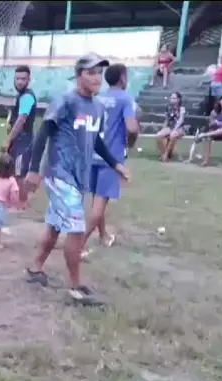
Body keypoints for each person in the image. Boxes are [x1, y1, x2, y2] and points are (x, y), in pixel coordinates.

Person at [23, 54, 130, 307]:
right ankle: (76, 287)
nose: (97, 78)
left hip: (78, 177)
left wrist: (116, 164)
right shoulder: (66, 101)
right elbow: (43, 134)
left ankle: (35, 268)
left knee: (55, 225)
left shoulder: (98, 107)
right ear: (79, 74)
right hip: (59, 173)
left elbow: (97, 141)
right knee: (77, 228)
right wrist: (33, 170)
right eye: (91, 72)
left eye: (99, 73)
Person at [82, 64, 140, 259]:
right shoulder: (125, 98)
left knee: (97, 198)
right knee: (99, 205)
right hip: (111, 157)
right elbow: (131, 128)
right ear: (123, 78)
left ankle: (103, 235)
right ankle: (78, 245)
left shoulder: (98, 97)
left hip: (93, 153)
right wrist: (131, 141)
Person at [5, 65, 38, 209]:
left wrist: (8, 140)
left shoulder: (27, 96)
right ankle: (18, 201)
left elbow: (21, 120)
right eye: (17, 78)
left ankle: (22, 203)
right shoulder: (21, 96)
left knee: (20, 173)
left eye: (23, 79)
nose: (19, 82)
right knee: (15, 171)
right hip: (18, 139)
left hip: (23, 140)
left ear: (29, 80)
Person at [189, 95, 222, 166]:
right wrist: (214, 123)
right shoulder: (214, 112)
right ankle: (205, 161)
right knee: (206, 139)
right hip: (215, 133)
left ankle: (204, 134)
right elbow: (210, 125)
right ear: (219, 101)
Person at [156, 92, 186, 162]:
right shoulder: (168, 107)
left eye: (174, 98)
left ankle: (166, 155)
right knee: (158, 135)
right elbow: (166, 119)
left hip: (179, 128)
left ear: (178, 99)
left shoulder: (182, 108)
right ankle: (163, 154)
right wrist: (163, 128)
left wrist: (175, 129)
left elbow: (181, 120)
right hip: (170, 127)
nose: (172, 99)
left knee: (172, 135)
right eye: (171, 98)